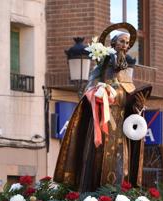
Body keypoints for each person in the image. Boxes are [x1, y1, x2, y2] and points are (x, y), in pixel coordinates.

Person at [54, 27, 151, 192]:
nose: (125, 46)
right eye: (122, 41)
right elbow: (89, 90)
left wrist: (138, 105)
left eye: (127, 43)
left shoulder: (127, 74)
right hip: (102, 123)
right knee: (98, 161)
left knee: (122, 163)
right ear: (113, 43)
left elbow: (128, 101)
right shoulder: (102, 66)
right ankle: (95, 195)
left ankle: (119, 197)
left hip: (121, 128)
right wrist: (101, 91)